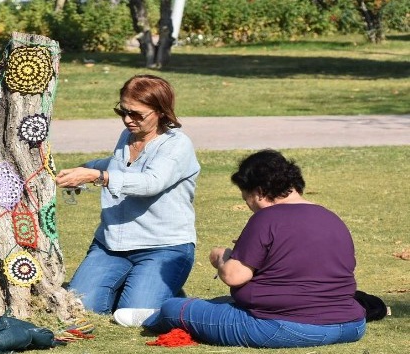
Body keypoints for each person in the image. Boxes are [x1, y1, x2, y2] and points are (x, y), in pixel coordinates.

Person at [114, 149, 367, 348]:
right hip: (351, 324)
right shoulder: (330, 217)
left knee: (174, 308)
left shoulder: (267, 217)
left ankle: (153, 318)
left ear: (257, 192)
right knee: (216, 305)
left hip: (283, 326)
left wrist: (221, 256)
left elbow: (235, 275)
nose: (248, 204)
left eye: (245, 197)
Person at [55, 74, 201, 314]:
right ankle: (147, 287)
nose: (127, 119)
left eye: (136, 114)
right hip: (111, 245)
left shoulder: (177, 145)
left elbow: (151, 182)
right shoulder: (128, 136)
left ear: (161, 112)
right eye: (122, 111)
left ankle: (160, 289)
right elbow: (117, 166)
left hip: (163, 247)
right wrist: (86, 169)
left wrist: (97, 177)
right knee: (80, 307)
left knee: (132, 314)